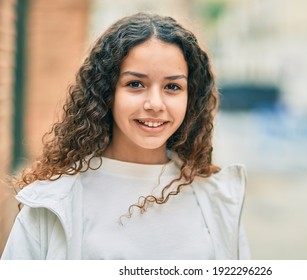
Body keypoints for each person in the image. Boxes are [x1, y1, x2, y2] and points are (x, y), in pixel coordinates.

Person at [1, 12, 250, 260]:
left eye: (172, 87)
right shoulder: (52, 201)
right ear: (107, 92)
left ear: (190, 97)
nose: (155, 103)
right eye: (135, 84)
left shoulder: (217, 198)